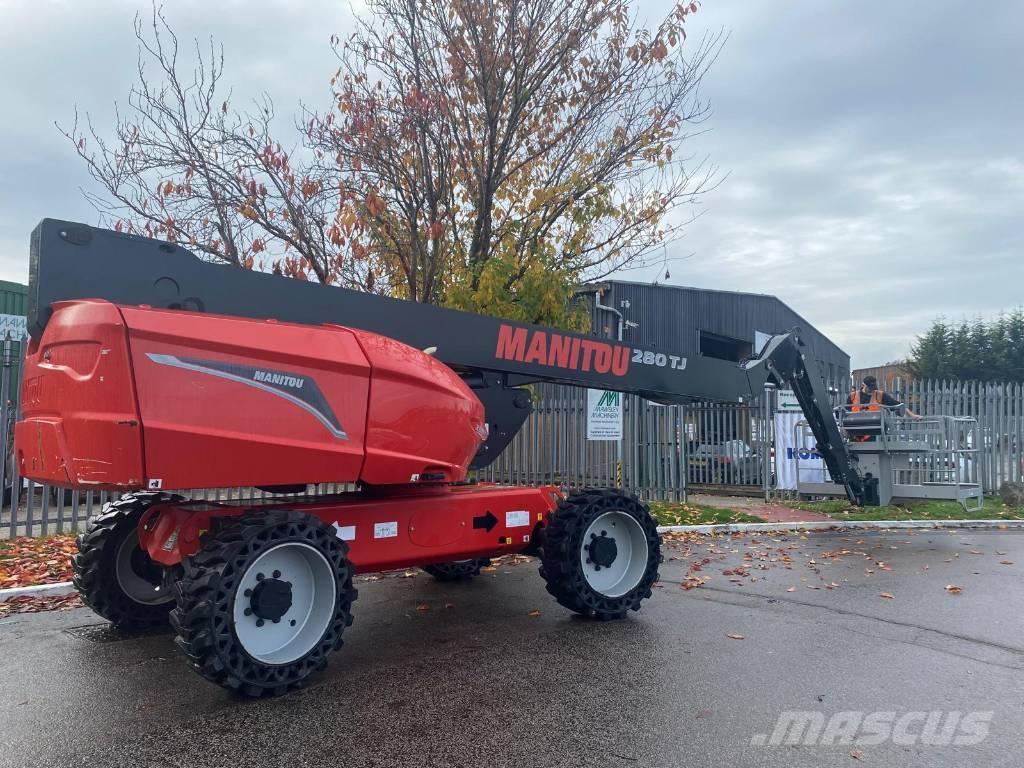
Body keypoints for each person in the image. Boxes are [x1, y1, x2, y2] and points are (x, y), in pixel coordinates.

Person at [846, 375, 919, 417]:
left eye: (873, 388)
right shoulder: (852, 396)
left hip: (874, 431)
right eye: (869, 388)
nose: (872, 390)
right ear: (863, 385)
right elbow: (845, 413)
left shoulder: (880, 395)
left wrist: (913, 415)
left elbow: (898, 405)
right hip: (855, 430)